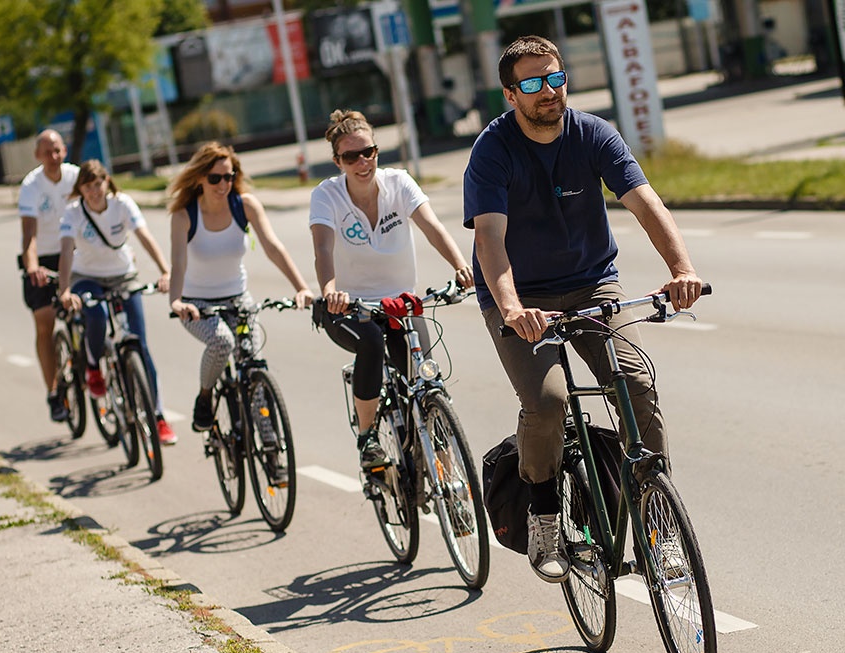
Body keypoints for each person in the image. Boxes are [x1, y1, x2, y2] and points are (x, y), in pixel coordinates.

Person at [463, 35, 704, 583]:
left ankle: (656, 526)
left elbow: (645, 203)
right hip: (522, 298)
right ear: (510, 94)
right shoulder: (492, 152)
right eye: (531, 83)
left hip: (593, 286)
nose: (548, 91)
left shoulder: (593, 133)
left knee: (635, 386)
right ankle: (545, 511)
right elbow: (490, 243)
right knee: (547, 404)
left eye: (554, 77)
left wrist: (681, 269)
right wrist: (512, 307)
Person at [310, 109, 474, 471]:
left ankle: (449, 480)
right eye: (351, 156)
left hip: (400, 305)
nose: (362, 161)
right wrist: (330, 289)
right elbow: (323, 249)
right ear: (338, 161)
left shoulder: (399, 183)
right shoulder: (327, 196)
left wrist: (459, 265)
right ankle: (368, 436)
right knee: (370, 341)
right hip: (349, 309)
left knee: (426, 381)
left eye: (368, 151)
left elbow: (431, 226)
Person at [167, 142, 314, 432]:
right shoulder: (185, 215)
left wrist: (301, 287)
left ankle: (272, 451)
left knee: (253, 363)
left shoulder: (244, 205)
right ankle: (206, 397)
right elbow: (178, 264)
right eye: (215, 178)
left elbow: (273, 247)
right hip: (198, 305)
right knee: (222, 342)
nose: (224, 184)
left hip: (239, 299)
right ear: (199, 178)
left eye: (229, 176)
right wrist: (175, 301)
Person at [57, 159, 177, 446]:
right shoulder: (73, 213)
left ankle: (158, 417)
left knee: (140, 343)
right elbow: (65, 252)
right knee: (96, 315)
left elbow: (144, 237)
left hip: (123, 275)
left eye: (98, 184)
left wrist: (165, 271)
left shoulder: (122, 204)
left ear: (106, 182)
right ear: (80, 189)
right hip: (87, 277)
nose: (94, 191)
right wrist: (64, 290)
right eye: (87, 187)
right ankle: (93, 366)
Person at [17, 130, 79, 423]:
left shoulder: (75, 177)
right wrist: (32, 268)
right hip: (43, 257)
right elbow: (29, 235)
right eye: (47, 152)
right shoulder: (31, 186)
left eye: (57, 151)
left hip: (77, 252)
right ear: (38, 156)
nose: (53, 157)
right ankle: (54, 391)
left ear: (64, 151)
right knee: (44, 320)